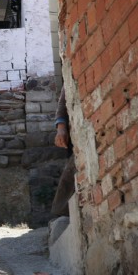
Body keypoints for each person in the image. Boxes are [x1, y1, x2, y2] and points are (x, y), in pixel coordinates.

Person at [51, 86, 76, 216]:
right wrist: (61, 127)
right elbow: (63, 101)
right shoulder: (70, 75)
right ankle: (60, 218)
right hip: (77, 137)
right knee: (69, 178)